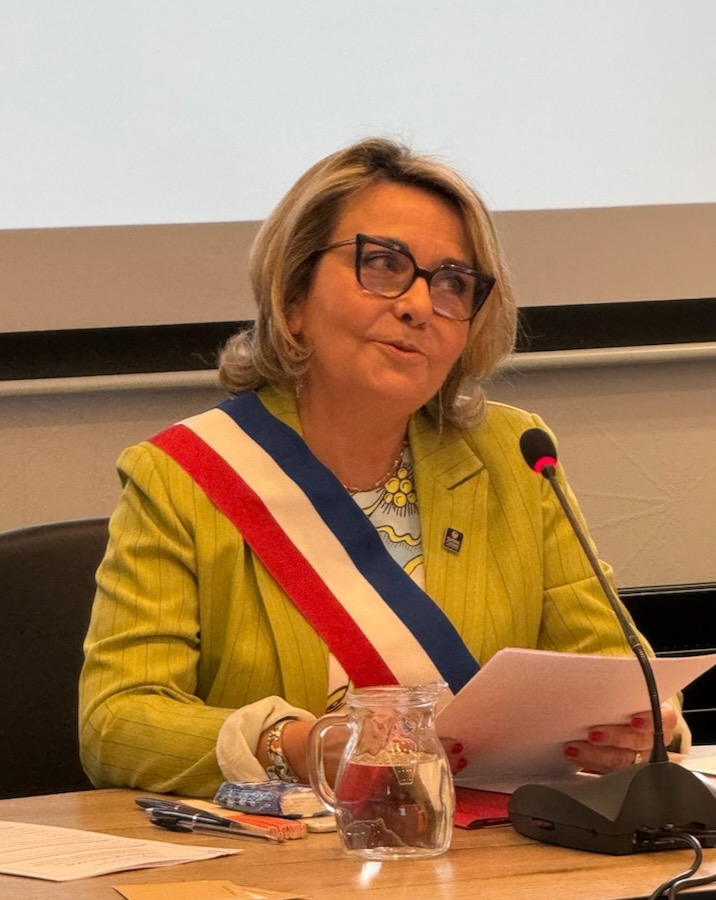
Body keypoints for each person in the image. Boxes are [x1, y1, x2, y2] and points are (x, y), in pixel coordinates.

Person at [79, 137, 686, 798]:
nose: (419, 305)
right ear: (293, 297)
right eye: (383, 264)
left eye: (453, 283)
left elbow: (618, 670)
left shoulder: (516, 456)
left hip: (481, 845)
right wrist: (299, 746)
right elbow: (116, 723)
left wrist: (638, 727)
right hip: (294, 852)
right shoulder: (182, 477)